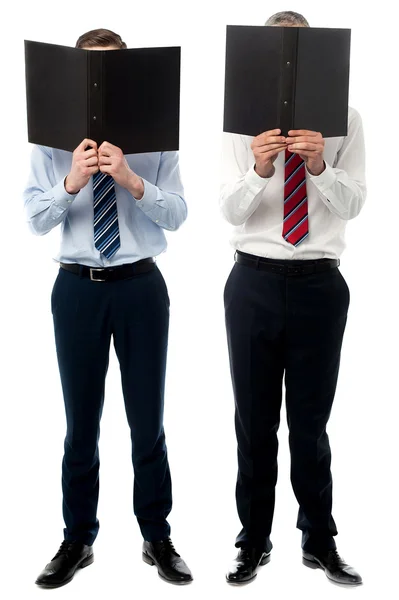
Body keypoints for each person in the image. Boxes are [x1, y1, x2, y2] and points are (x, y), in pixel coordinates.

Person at [23, 28, 192, 588]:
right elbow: (35, 220)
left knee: (148, 421)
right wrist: (73, 179)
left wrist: (131, 179)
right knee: (80, 425)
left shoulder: (154, 136)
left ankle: (157, 535)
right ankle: (77, 539)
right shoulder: (49, 141)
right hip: (76, 290)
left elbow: (177, 215)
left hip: (141, 287)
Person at [221, 11, 365, 586]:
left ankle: (319, 539)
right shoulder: (239, 125)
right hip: (252, 281)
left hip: (319, 285)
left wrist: (318, 164)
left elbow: (354, 204)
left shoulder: (345, 119)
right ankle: (253, 539)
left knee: (311, 423)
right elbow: (230, 210)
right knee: (254, 422)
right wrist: (260, 167)